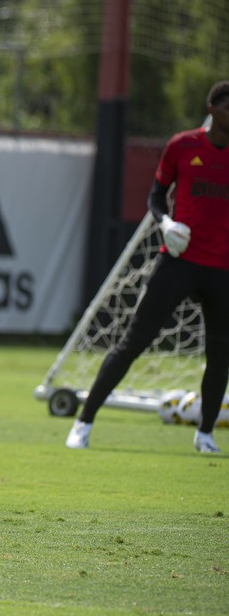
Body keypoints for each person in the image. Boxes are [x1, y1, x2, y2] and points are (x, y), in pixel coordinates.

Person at [66, 80, 229, 453]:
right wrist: (166, 223)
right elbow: (157, 195)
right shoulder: (183, 146)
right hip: (179, 262)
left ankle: (205, 434)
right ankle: (84, 422)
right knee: (134, 341)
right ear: (213, 108)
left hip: (222, 269)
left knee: (220, 355)